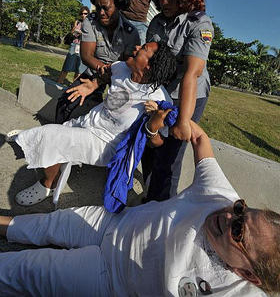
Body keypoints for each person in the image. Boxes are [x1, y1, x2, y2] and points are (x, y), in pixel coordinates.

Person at [0, 120, 279, 296]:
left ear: (248, 275)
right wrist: (177, 121)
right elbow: (199, 138)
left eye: (239, 229)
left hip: (109, 279)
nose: (230, 214)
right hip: (111, 223)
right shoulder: (220, 196)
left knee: (25, 270)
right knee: (47, 224)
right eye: (243, 210)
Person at [6, 42, 175, 207]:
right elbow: (107, 75)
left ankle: (48, 184)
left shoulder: (159, 99)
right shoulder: (121, 67)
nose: (136, 47)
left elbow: (158, 143)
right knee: (49, 134)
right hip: (87, 122)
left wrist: (153, 127)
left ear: (149, 67)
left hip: (105, 144)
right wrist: (93, 85)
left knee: (50, 136)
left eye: (143, 49)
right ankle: (32, 137)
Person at [141, 0, 215, 202]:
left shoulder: (199, 24)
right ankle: (150, 197)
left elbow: (192, 74)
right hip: (161, 91)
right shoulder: (156, 23)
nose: (164, 3)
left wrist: (183, 120)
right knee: (150, 144)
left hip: (188, 95)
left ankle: (160, 209)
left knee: (170, 155)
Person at [55, 0, 140, 123]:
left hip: (120, 77)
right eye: (98, 7)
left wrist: (109, 76)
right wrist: (101, 73)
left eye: (106, 8)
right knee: (66, 102)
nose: (101, 13)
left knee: (117, 116)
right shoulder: (90, 21)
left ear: (118, 6)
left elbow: (128, 65)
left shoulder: (131, 33)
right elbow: (86, 56)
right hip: (95, 71)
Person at [57, 6, 90, 84]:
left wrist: (82, 33)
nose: (83, 15)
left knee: (79, 70)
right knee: (66, 66)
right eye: (82, 13)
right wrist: (74, 29)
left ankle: (73, 86)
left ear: (88, 14)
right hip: (74, 45)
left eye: (85, 13)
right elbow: (72, 33)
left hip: (84, 47)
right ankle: (58, 83)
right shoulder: (78, 22)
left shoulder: (91, 24)